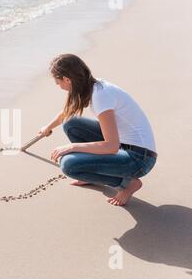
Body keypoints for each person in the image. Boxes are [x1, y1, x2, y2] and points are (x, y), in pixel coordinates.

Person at [39, 54, 157, 206]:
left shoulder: (100, 96)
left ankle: (127, 183)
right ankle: (89, 173)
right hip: (124, 143)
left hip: (139, 159)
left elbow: (111, 146)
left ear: (67, 79)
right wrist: (47, 128)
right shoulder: (91, 85)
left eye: (58, 82)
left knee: (69, 165)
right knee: (71, 123)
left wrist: (71, 147)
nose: (58, 86)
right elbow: (67, 112)